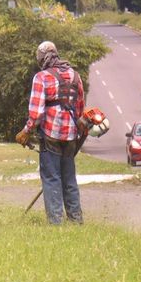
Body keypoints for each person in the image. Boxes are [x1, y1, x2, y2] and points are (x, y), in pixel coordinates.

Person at [16, 41, 86, 225]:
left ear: (42, 59)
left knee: (51, 178)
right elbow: (80, 108)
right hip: (71, 136)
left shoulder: (41, 77)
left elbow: (36, 114)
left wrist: (26, 131)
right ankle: (76, 220)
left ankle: (56, 223)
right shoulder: (75, 75)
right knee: (69, 178)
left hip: (50, 135)